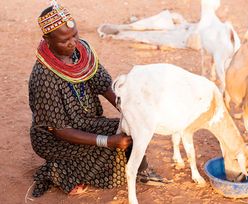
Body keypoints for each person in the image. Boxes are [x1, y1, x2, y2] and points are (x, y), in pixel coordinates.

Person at [29, 2, 164, 197]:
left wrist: (130, 111)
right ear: (47, 39)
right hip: (54, 139)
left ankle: (141, 171)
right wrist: (107, 141)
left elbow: (103, 84)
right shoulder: (43, 77)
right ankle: (57, 171)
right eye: (64, 40)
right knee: (111, 154)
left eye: (74, 35)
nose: (72, 42)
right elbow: (60, 130)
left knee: (131, 131)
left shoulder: (82, 52)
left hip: (86, 122)